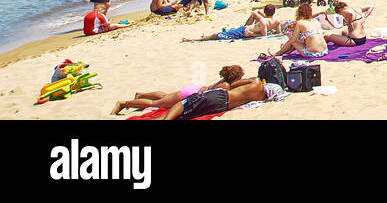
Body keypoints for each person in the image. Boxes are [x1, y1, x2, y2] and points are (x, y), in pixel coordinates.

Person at [112, 65, 246, 116]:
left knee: (165, 96)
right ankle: (124, 104)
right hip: (194, 94)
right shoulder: (226, 86)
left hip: (195, 89)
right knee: (155, 104)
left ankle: (141, 94)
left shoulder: (225, 81)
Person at [163, 75, 287, 120]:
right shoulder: (260, 99)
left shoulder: (256, 82)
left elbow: (231, 85)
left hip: (222, 95)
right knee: (185, 114)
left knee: (182, 104)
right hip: (223, 106)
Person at [182, 6, 282, 42]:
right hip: (244, 30)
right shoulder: (277, 20)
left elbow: (263, 35)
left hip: (243, 32)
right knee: (228, 31)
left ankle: (193, 39)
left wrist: (252, 34)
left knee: (216, 35)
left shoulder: (263, 21)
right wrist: (272, 31)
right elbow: (278, 33)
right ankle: (205, 37)